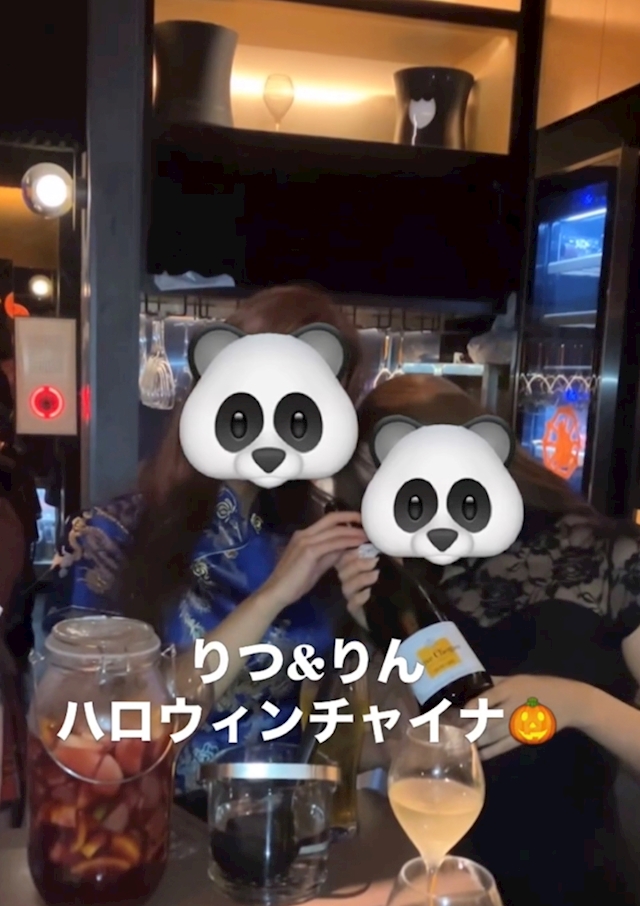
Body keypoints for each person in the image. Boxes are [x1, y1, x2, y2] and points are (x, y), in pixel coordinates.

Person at [44, 285, 367, 817]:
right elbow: (101, 720)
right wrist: (269, 599)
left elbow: (359, 735)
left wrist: (370, 629)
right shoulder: (110, 533)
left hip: (288, 832)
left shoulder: (311, 536)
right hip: (154, 827)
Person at [334, 373, 640, 906]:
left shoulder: (608, 557)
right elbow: (352, 757)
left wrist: (577, 704)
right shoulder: (401, 581)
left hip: (576, 883)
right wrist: (379, 630)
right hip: (434, 882)